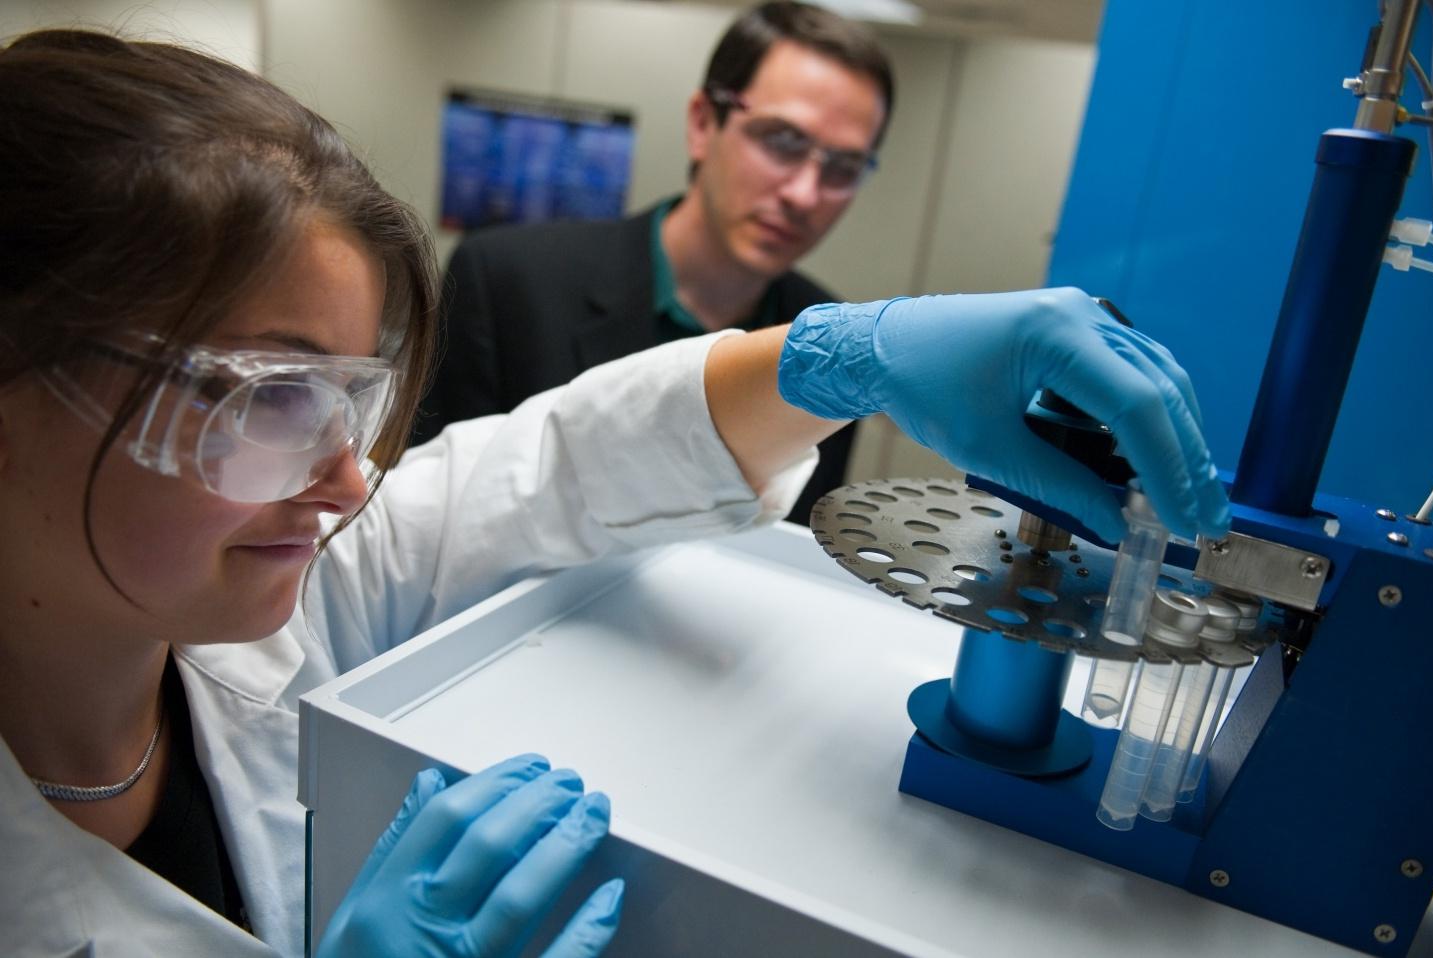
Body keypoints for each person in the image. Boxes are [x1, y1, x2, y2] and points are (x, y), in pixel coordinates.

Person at [0, 27, 1231, 958]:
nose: (345, 477)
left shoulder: (280, 614)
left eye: (350, 399)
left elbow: (548, 470)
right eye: (265, 398)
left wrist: (844, 356)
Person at [413, 1, 895, 526]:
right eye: (782, 141)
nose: (804, 194)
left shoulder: (830, 343)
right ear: (703, 123)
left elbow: (789, 551)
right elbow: (429, 521)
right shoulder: (509, 282)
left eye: (843, 168)